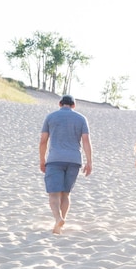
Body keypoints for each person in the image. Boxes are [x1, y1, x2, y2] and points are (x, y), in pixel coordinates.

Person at [39, 95, 92, 234]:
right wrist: (89, 161)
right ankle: (61, 222)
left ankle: (58, 219)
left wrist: (42, 159)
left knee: (53, 194)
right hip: (74, 160)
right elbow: (86, 141)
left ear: (60, 103)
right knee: (66, 194)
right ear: (74, 105)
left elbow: (43, 141)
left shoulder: (51, 117)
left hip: (55, 159)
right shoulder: (81, 119)